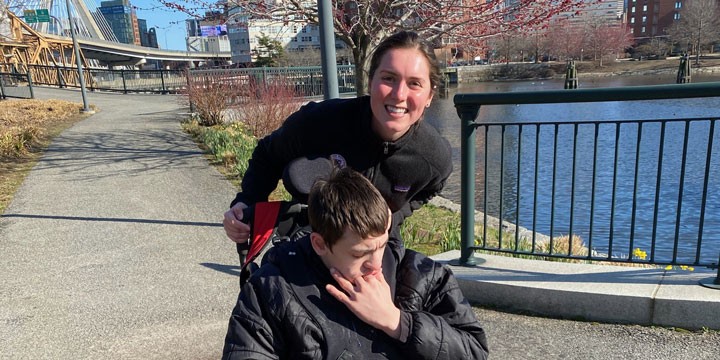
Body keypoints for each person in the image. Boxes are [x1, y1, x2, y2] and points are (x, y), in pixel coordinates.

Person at [222, 168, 489, 359]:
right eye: (360, 254)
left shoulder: (422, 277)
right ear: (320, 244)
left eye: (381, 246)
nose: (376, 266)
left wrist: (398, 322)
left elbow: (474, 350)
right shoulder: (269, 292)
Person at [223, 30, 452, 248]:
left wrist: (395, 214)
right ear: (371, 82)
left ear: (430, 95)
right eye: (389, 78)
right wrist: (247, 201)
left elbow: (430, 188)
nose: (399, 94)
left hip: (377, 249)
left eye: (414, 83)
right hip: (311, 243)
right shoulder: (320, 121)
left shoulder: (433, 156)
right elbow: (268, 153)